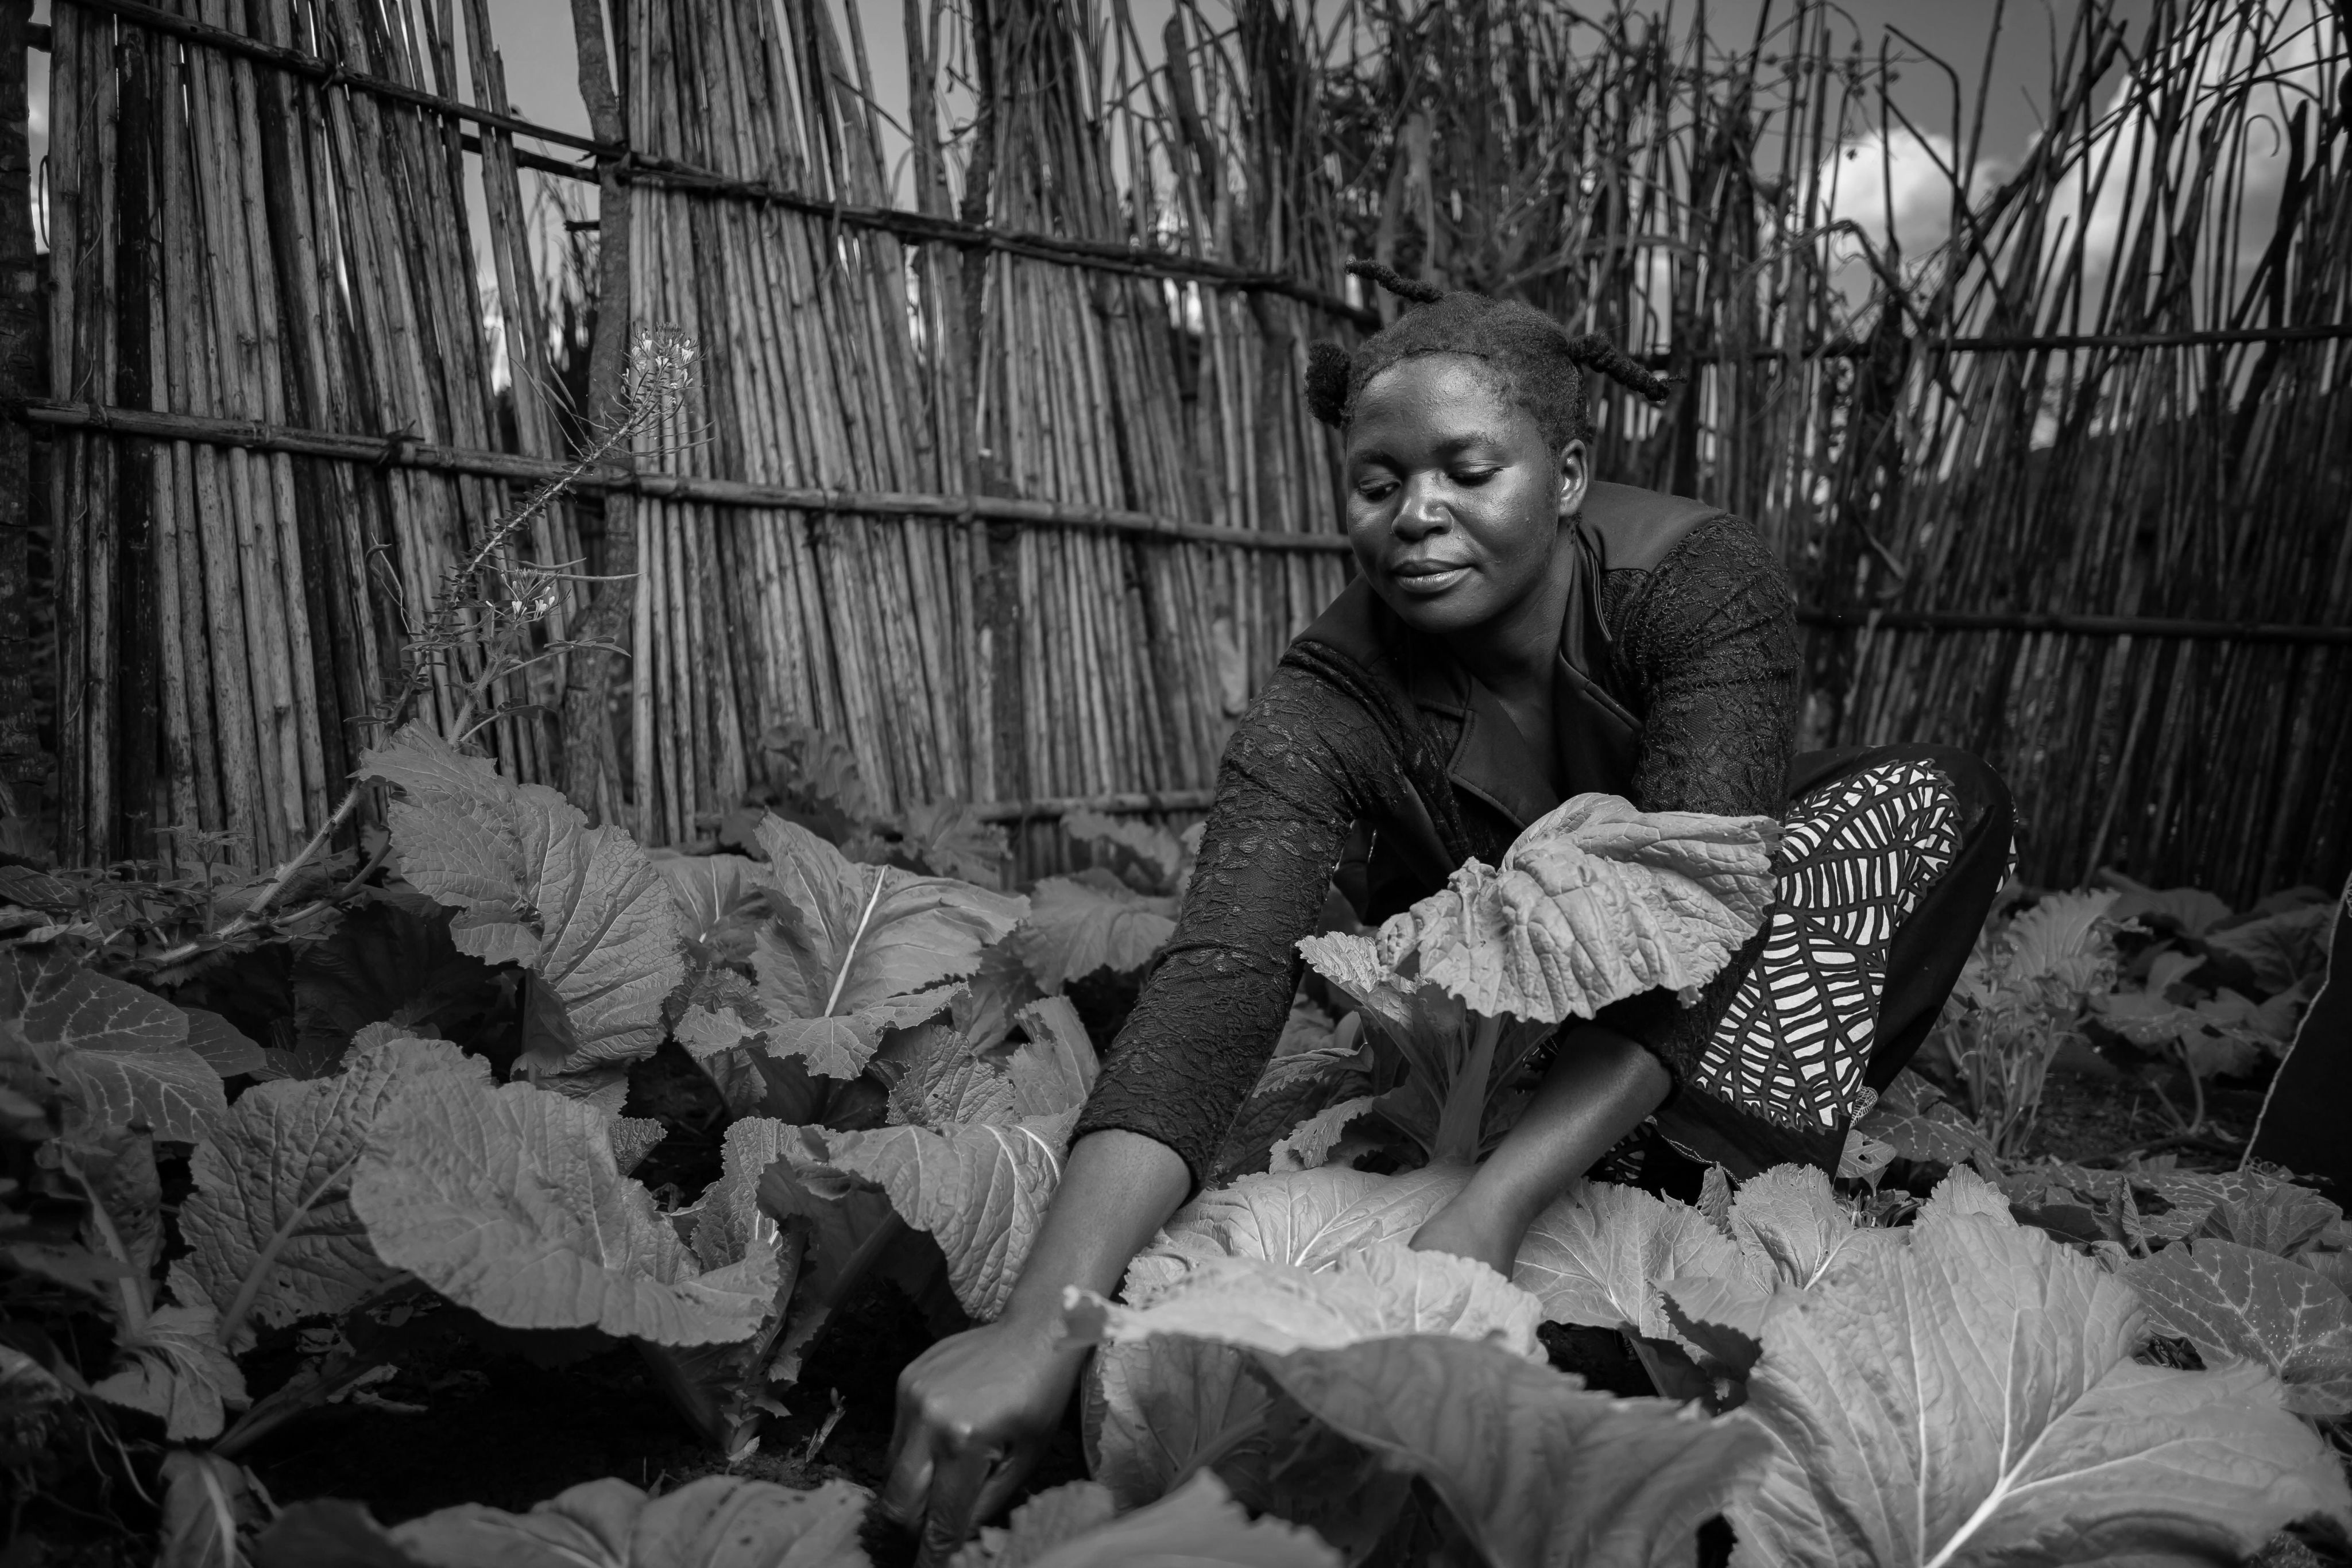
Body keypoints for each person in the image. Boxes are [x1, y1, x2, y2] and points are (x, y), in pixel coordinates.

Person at [881, 262, 2013, 1552]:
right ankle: (1568, 1185)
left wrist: (1486, 1210)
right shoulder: (1326, 700)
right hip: (1504, 1020)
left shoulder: (1694, 583)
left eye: (1468, 472)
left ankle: (1708, 1175)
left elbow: (1697, 912)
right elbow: (1216, 981)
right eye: (1377, 483)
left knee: (1917, 806)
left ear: (1568, 475)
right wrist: (1045, 1319)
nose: (1416, 513)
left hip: (1704, 967)